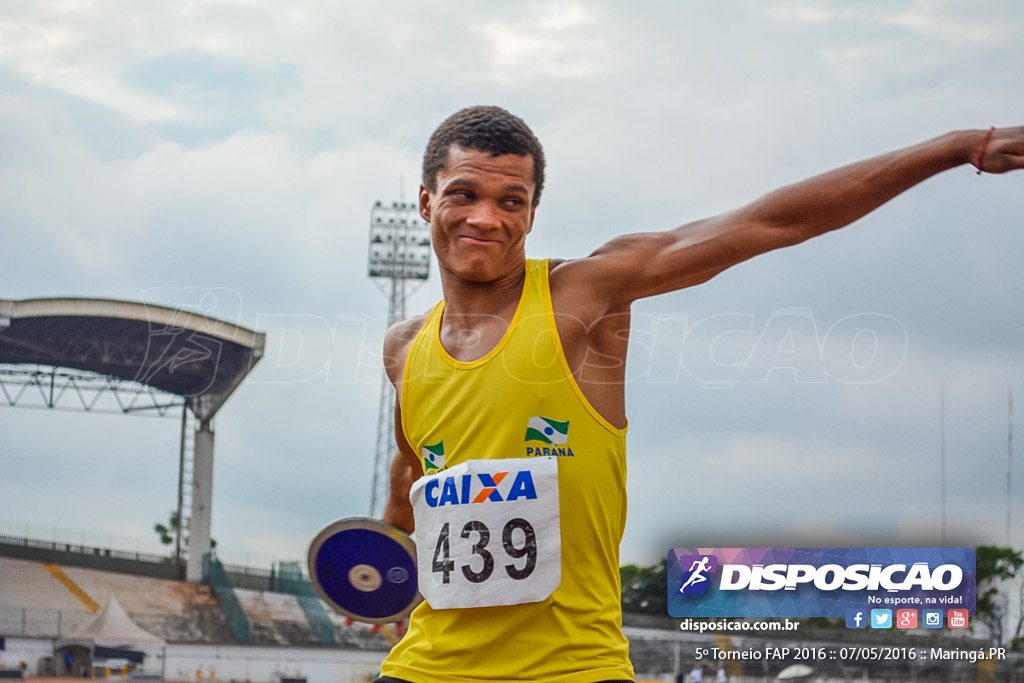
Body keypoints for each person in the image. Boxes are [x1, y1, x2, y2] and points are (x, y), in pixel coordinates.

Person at [376, 106, 1023, 683]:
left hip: (569, 667)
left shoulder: (586, 294)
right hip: (427, 666)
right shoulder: (404, 350)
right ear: (428, 201)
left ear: (532, 214)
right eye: (465, 194)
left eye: (511, 200)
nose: (486, 216)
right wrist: (374, 564)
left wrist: (954, 147)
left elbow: (771, 222)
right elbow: (415, 471)